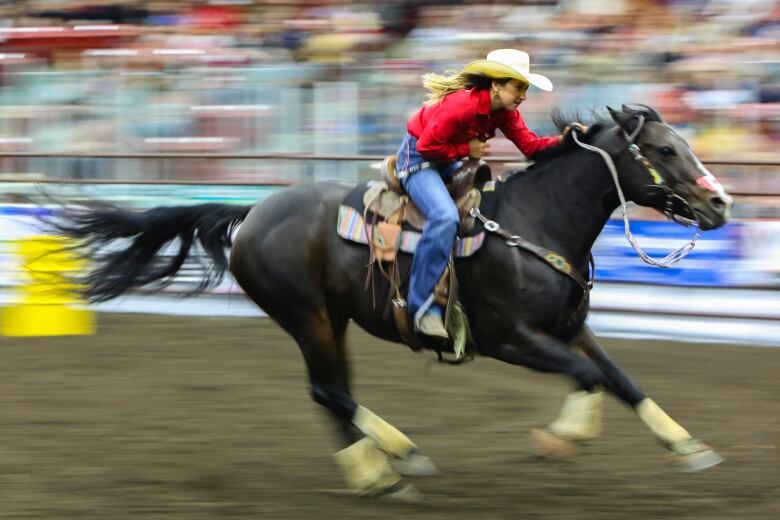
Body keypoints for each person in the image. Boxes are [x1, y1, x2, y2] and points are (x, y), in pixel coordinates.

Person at [396, 48, 583, 339]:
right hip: (419, 162)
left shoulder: (506, 113)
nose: (523, 94)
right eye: (518, 87)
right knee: (445, 217)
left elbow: (531, 147)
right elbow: (427, 147)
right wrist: (466, 150)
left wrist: (565, 141)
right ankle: (420, 306)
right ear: (497, 84)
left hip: (452, 161)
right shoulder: (461, 105)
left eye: (525, 88)